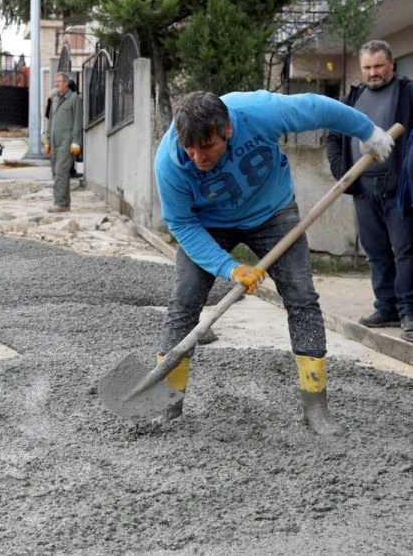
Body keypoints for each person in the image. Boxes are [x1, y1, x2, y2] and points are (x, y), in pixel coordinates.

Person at [155, 90, 394, 436]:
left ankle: (316, 408)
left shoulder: (258, 113)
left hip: (272, 213)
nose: (196, 157)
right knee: (185, 299)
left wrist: (368, 132)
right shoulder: (170, 163)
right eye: (190, 148)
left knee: (301, 298)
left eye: (206, 147)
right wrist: (230, 267)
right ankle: (167, 404)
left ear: (228, 131)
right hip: (206, 221)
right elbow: (181, 224)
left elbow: (318, 109)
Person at [325, 40, 413, 337]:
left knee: (405, 251)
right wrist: (343, 173)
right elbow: (333, 136)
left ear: (391, 64)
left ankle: (409, 312)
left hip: (400, 189)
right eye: (367, 67)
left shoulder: (407, 92)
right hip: (363, 187)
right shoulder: (353, 97)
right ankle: (386, 307)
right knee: (375, 252)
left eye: (378, 66)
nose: (373, 72)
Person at [43, 71, 83, 212]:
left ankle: (59, 203)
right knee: (57, 171)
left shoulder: (74, 99)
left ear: (66, 83)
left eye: (58, 82)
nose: (56, 84)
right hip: (54, 142)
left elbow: (78, 122)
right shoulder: (54, 100)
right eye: (55, 82)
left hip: (67, 143)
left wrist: (76, 141)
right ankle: (65, 203)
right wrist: (47, 140)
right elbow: (51, 122)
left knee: (61, 171)